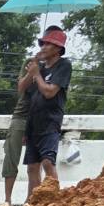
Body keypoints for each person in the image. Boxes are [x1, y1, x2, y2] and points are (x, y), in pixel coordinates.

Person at [20, 26, 72, 196]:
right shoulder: (39, 67)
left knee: (48, 162)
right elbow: (21, 88)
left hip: (50, 122)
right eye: (42, 43)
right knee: (32, 167)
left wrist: (37, 75)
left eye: (48, 44)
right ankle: (32, 203)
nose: (43, 47)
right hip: (33, 123)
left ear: (58, 48)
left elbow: (50, 92)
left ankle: (54, 201)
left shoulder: (63, 65)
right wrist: (33, 70)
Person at [2, 61, 33, 206]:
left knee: (35, 162)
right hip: (20, 117)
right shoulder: (31, 62)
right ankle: (7, 200)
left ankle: (30, 200)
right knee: (11, 158)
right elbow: (21, 88)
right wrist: (32, 72)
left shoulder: (54, 68)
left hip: (39, 118)